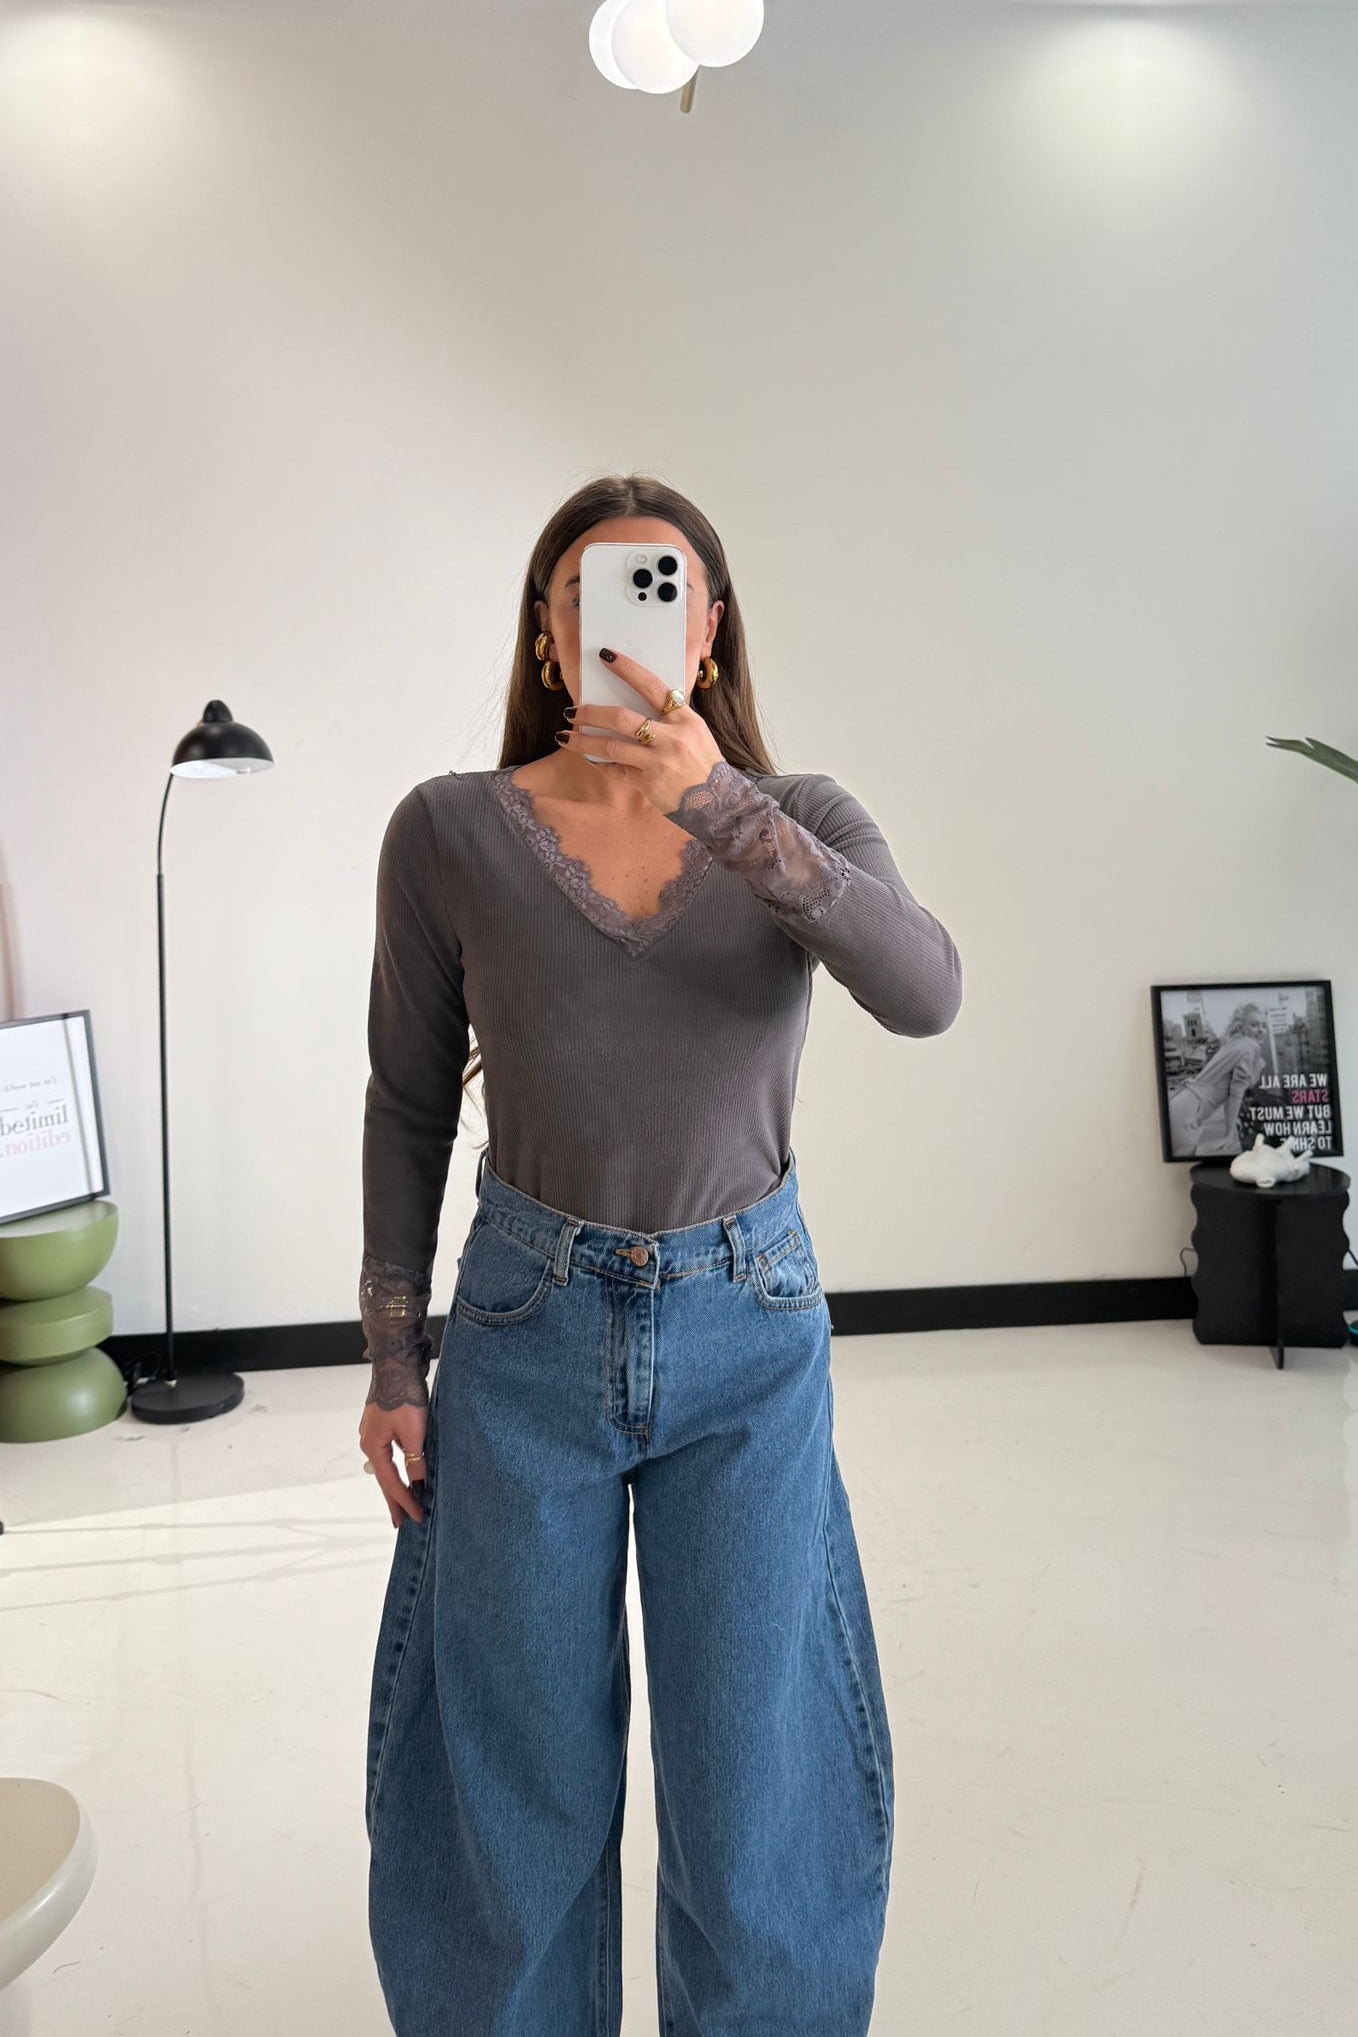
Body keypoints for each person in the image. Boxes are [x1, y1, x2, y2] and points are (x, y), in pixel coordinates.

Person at [356, 473, 963, 2036]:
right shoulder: (446, 831)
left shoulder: (800, 817)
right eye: (590, 592)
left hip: (747, 1327)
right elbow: (408, 1099)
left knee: (756, 1772)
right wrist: (391, 1358)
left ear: (707, 630)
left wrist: (727, 808)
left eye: (664, 588)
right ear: (546, 637)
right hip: (524, 1327)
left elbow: (925, 989)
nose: (628, 618)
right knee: (514, 1769)